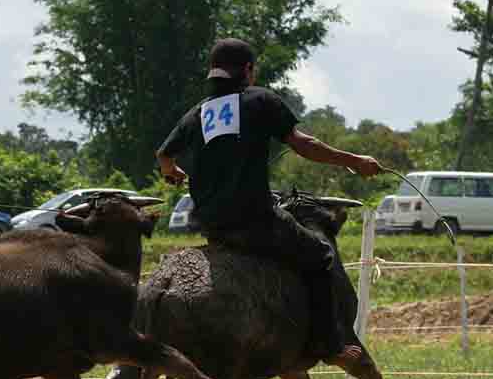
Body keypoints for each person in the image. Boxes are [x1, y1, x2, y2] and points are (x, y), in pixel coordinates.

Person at [155, 37, 382, 362]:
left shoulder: (199, 112)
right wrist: (354, 161)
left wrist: (174, 173)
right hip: (256, 221)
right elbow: (304, 145)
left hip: (212, 226)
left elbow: (163, 156)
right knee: (320, 255)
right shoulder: (260, 99)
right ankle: (330, 345)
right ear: (248, 70)